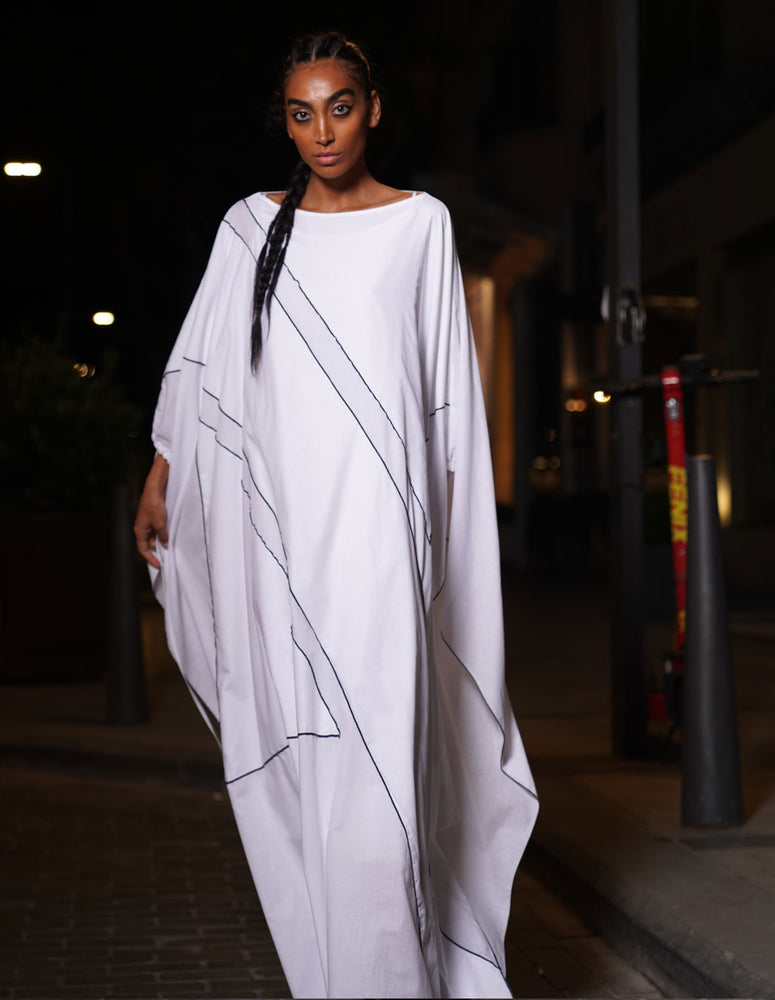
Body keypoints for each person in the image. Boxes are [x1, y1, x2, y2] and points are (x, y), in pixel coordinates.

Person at [134, 30, 538, 1000]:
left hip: (380, 550)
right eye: (301, 113)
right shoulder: (249, 229)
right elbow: (202, 372)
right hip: (281, 547)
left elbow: (445, 397)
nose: (323, 131)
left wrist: (446, 546)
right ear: (285, 123)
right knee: (303, 777)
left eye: (340, 108)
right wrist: (160, 475)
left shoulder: (421, 226)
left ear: (374, 110)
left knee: (381, 783)